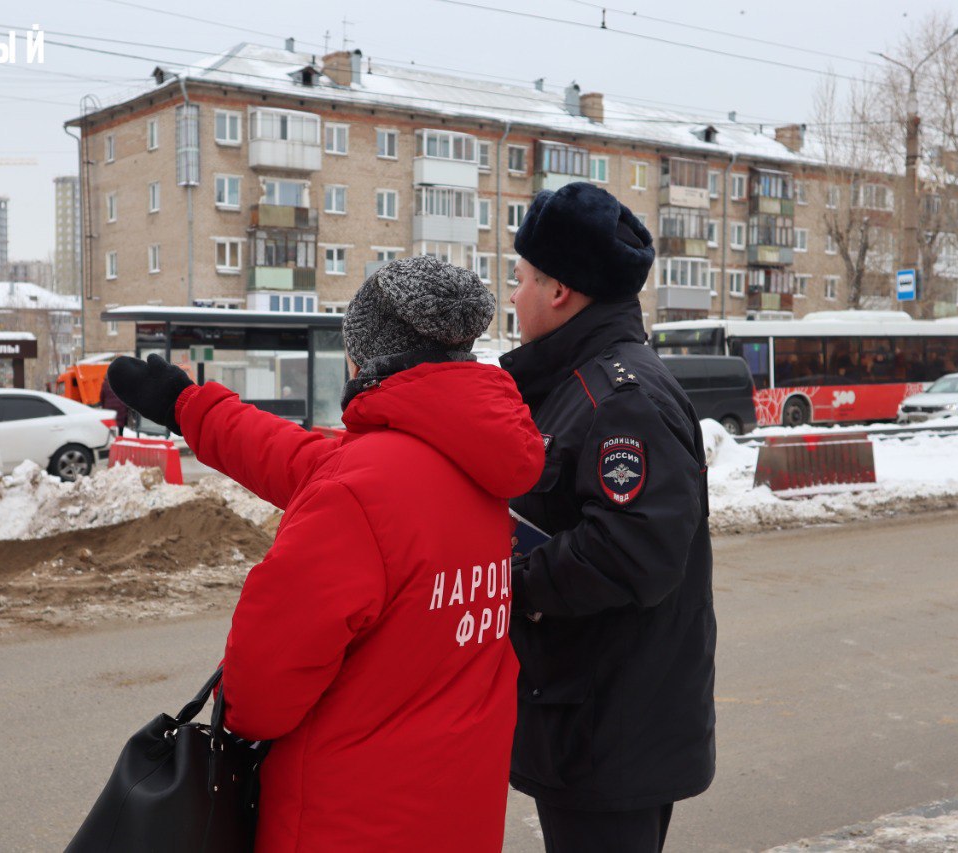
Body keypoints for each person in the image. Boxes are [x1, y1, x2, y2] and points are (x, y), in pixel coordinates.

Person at [106, 256, 546, 853]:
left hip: (347, 818)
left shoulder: (357, 489)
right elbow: (299, 458)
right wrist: (190, 406)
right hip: (457, 809)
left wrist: (235, 715)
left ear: (366, 354)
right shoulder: (473, 462)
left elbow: (262, 690)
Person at [499, 182, 716, 853]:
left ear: (559, 290)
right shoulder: (578, 384)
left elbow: (630, 552)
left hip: (608, 732)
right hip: (589, 720)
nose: (512, 295)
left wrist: (514, 579)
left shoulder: (621, 397)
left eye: (521, 278)